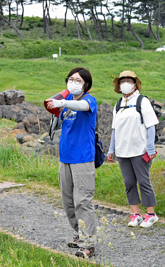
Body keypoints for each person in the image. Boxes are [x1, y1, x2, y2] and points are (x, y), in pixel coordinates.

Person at [45, 67, 98, 258]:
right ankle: (78, 234)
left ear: (86, 84)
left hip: (82, 159)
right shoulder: (66, 105)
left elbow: (82, 106)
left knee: (83, 200)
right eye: (70, 79)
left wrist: (62, 101)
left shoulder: (89, 100)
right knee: (68, 201)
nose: (73, 82)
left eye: (78, 80)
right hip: (65, 158)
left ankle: (89, 242)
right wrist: (56, 108)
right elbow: (56, 124)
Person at [107, 70, 159, 228]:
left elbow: (151, 125)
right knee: (129, 183)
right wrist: (111, 149)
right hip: (123, 151)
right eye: (122, 81)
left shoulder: (142, 101)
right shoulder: (118, 104)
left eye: (128, 80)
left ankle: (151, 214)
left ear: (135, 84)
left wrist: (150, 148)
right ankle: (135, 214)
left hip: (139, 150)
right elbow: (114, 129)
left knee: (144, 182)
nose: (125, 83)